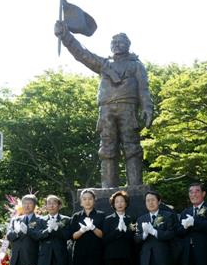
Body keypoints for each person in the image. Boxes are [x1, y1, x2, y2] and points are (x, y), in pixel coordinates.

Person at [54, 21, 154, 188]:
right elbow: (82, 54)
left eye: (120, 42)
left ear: (128, 45)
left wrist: (147, 108)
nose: (116, 45)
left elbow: (144, 89)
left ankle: (135, 186)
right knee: (107, 148)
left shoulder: (136, 65)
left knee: (132, 147)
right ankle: (108, 188)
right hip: (106, 109)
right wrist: (65, 35)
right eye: (113, 42)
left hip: (128, 107)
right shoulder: (104, 64)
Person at [69, 189, 105, 265]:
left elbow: (102, 235)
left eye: (90, 198)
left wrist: (93, 228)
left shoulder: (101, 215)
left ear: (94, 201)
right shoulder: (76, 216)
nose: (87, 201)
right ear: (81, 202)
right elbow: (72, 236)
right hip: (80, 255)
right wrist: (82, 230)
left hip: (97, 255)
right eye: (84, 199)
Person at [29, 195, 72, 265]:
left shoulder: (66, 219)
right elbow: (36, 235)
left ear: (59, 206)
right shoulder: (39, 220)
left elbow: (68, 235)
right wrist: (47, 230)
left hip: (60, 258)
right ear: (45, 206)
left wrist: (57, 229)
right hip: (44, 259)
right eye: (49, 203)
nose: (51, 206)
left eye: (54, 203)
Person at [6, 194, 39, 265]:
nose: (27, 206)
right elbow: (9, 236)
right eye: (24, 203)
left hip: (31, 258)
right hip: (16, 258)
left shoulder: (40, 220)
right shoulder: (15, 219)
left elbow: (39, 236)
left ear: (34, 205)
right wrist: (17, 232)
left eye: (29, 203)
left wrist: (27, 231)